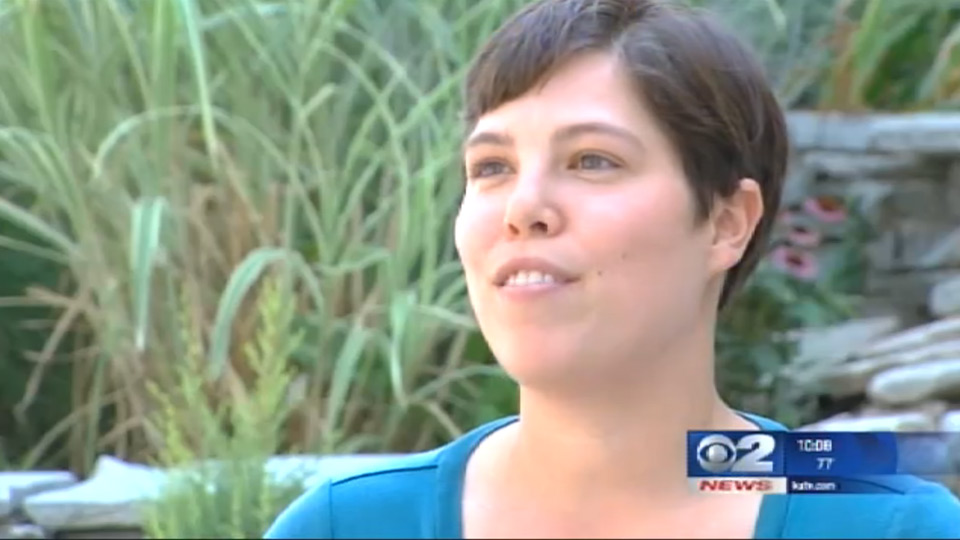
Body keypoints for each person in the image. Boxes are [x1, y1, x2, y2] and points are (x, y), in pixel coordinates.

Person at [265, 0, 960, 537]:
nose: (524, 207)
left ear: (726, 223)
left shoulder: (883, 520)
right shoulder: (346, 524)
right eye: (492, 167)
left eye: (593, 160)